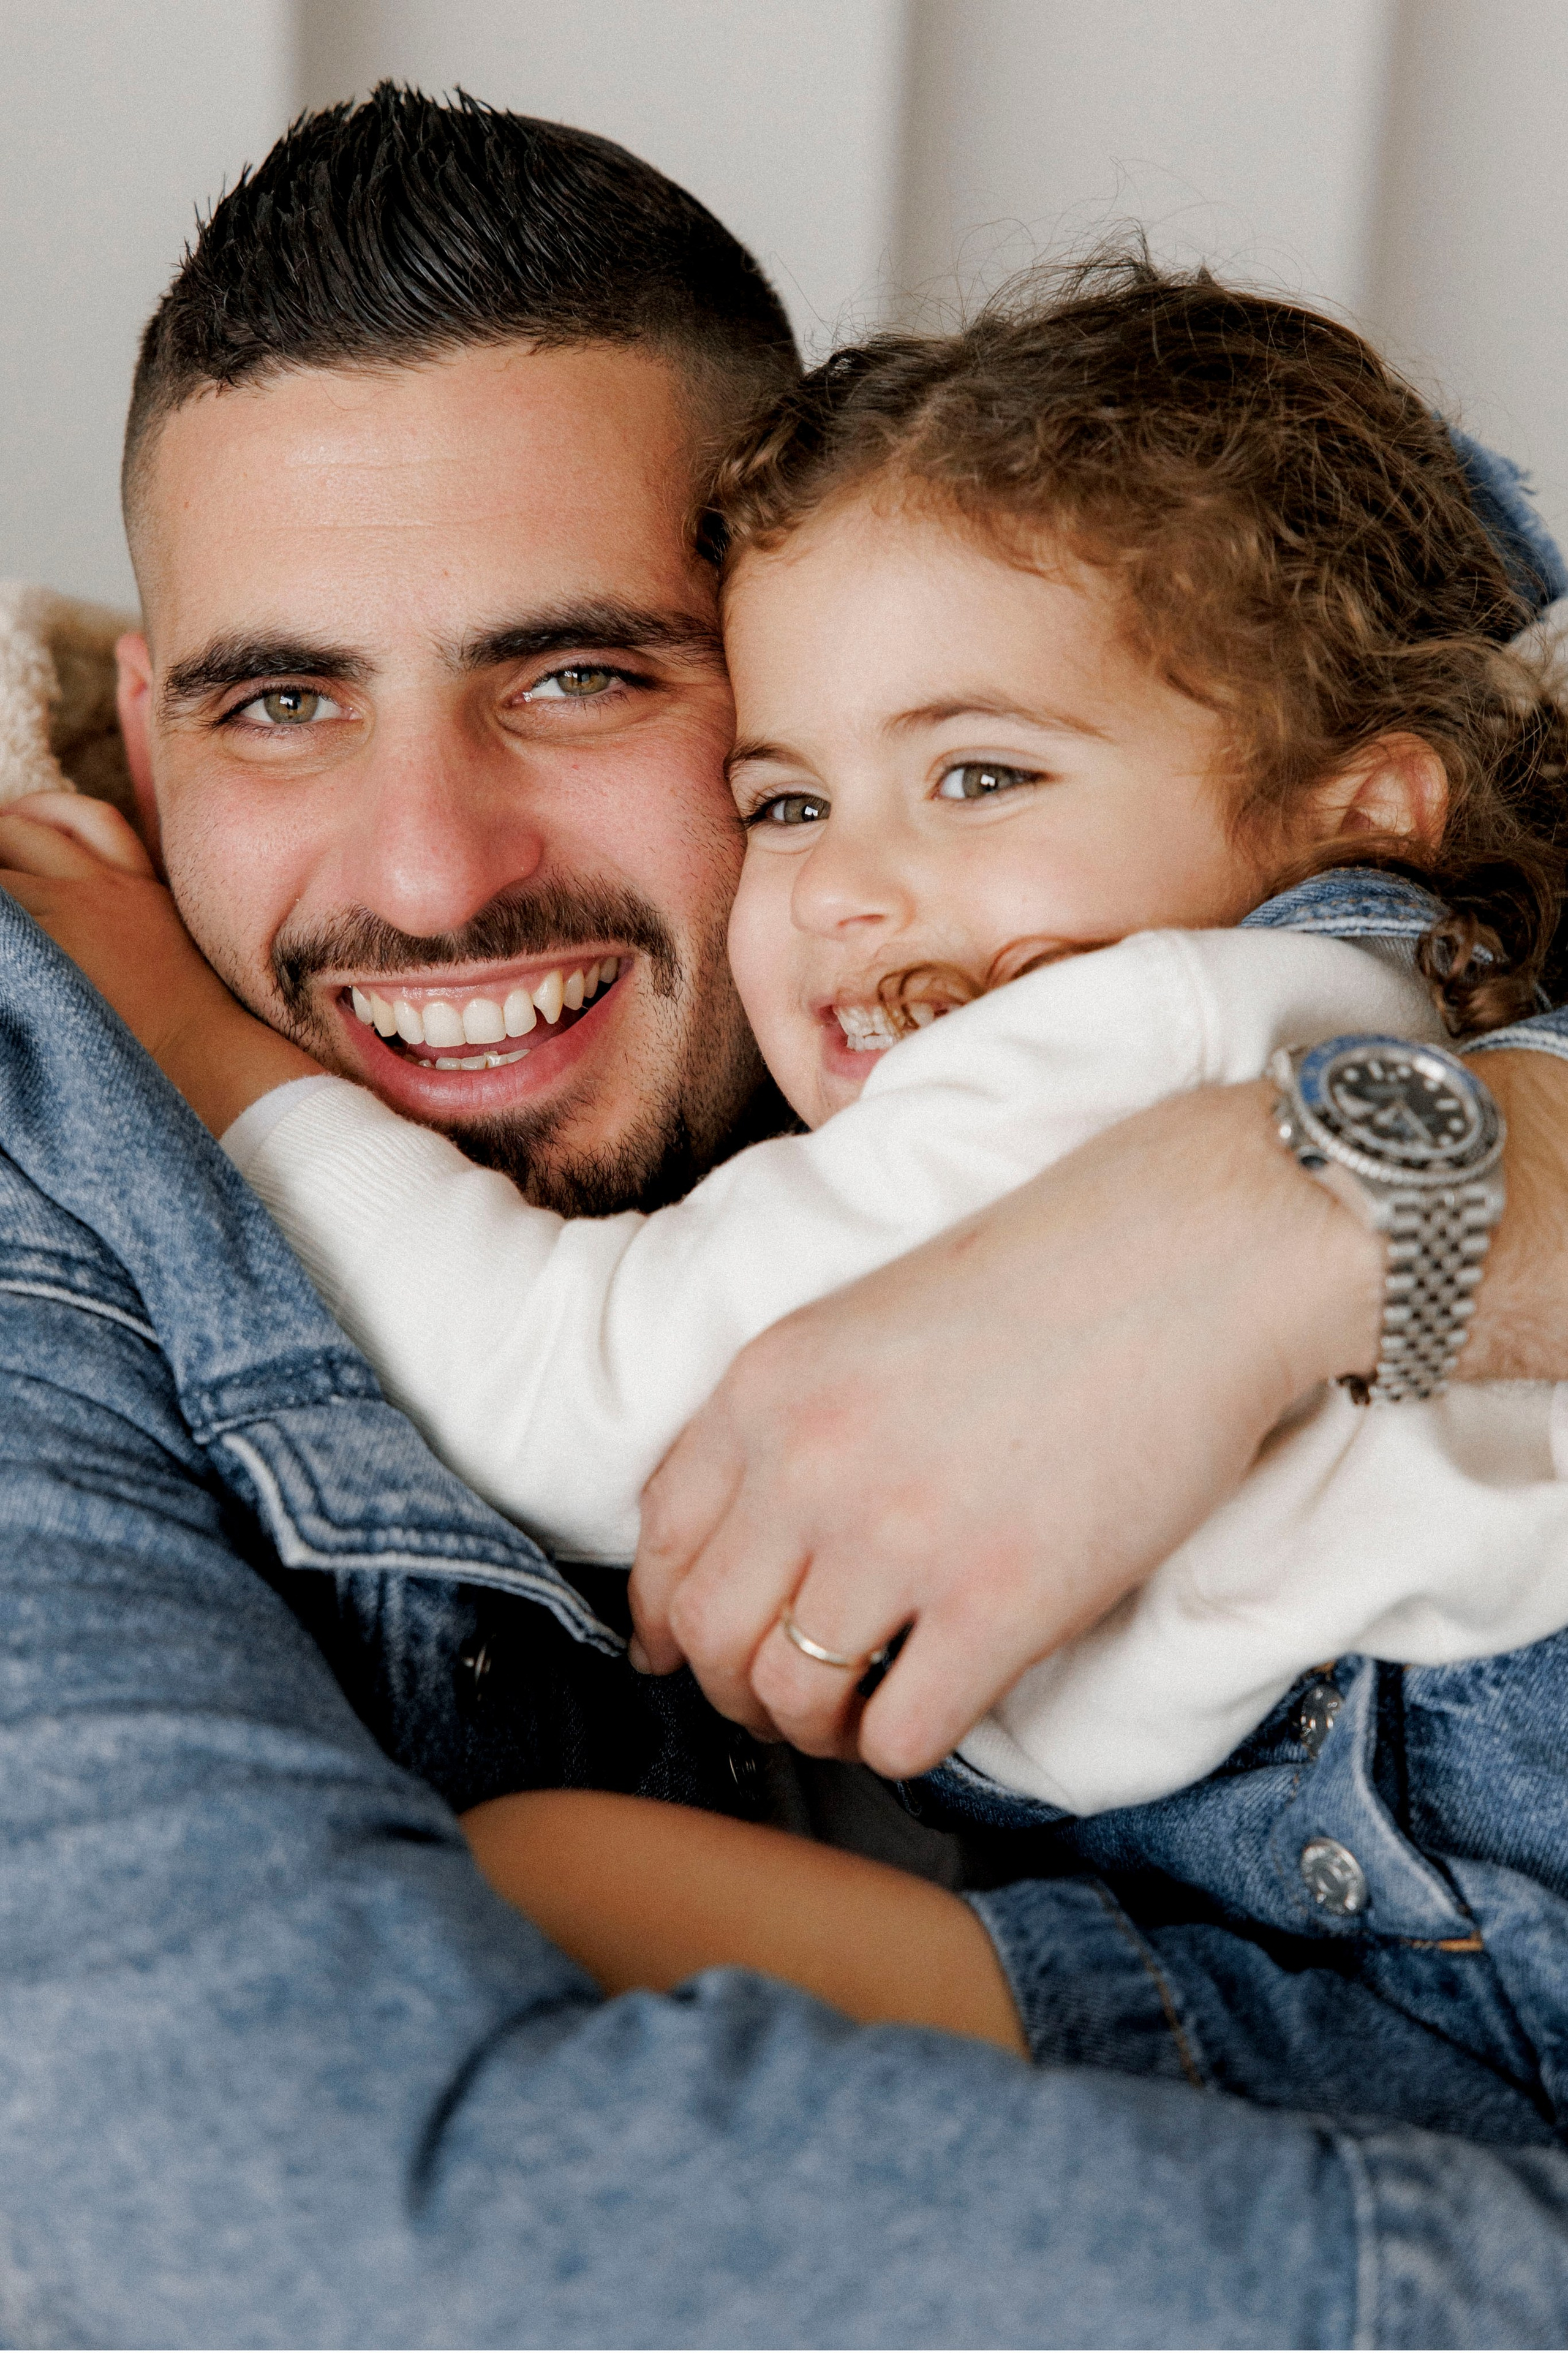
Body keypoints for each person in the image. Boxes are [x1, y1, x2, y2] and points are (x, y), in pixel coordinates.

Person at [5, 85, 1568, 2342]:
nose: (433, 870)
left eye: (581, 673)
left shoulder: (1098, 924)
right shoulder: (49, 1131)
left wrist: (1304, 1216)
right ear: (142, 745)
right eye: (282, 702)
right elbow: (310, 2208)